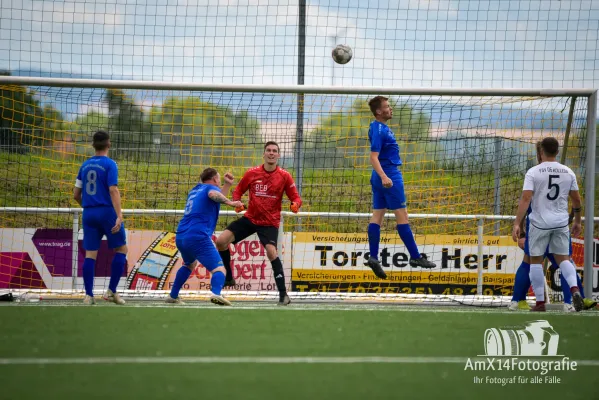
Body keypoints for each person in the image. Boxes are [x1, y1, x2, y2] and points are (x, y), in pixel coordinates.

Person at [215, 141, 302, 306]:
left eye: (274, 151)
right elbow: (238, 191)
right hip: (250, 218)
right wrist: (238, 203)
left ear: (278, 155)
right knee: (220, 241)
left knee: (271, 252)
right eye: (268, 150)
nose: (271, 153)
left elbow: (296, 197)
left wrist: (295, 204)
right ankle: (229, 278)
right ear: (264, 154)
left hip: (269, 222)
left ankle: (283, 295)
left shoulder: (285, 176)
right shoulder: (252, 173)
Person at [365, 96, 435, 279]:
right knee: (402, 216)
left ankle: (373, 257)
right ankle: (415, 257)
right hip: (389, 174)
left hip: (380, 175)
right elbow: (373, 157)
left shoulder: (376, 127)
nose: (391, 109)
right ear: (379, 112)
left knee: (377, 215)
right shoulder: (380, 130)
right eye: (387, 107)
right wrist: (384, 176)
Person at [512, 137, 583, 312]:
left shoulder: (533, 172)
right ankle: (574, 290)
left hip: (539, 223)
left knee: (534, 261)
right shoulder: (568, 172)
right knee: (564, 260)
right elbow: (576, 200)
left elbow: (526, 198)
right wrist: (577, 220)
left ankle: (540, 303)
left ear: (541, 151)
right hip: (560, 223)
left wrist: (517, 223)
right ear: (557, 152)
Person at [166, 168, 243, 306]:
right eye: (219, 179)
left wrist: (227, 185)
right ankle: (216, 294)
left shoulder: (195, 191)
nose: (219, 182)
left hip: (182, 236)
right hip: (197, 236)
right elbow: (214, 194)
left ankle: (173, 295)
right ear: (214, 179)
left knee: (190, 264)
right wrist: (231, 203)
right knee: (220, 269)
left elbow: (216, 197)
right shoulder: (210, 189)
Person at [73, 130, 128, 305]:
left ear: (93, 145)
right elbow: (113, 189)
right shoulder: (110, 164)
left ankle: (89, 295)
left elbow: (75, 194)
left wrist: (89, 207)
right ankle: (111, 291)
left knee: (90, 255)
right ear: (109, 144)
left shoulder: (85, 165)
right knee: (121, 250)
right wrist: (119, 215)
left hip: (88, 213)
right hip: (107, 213)